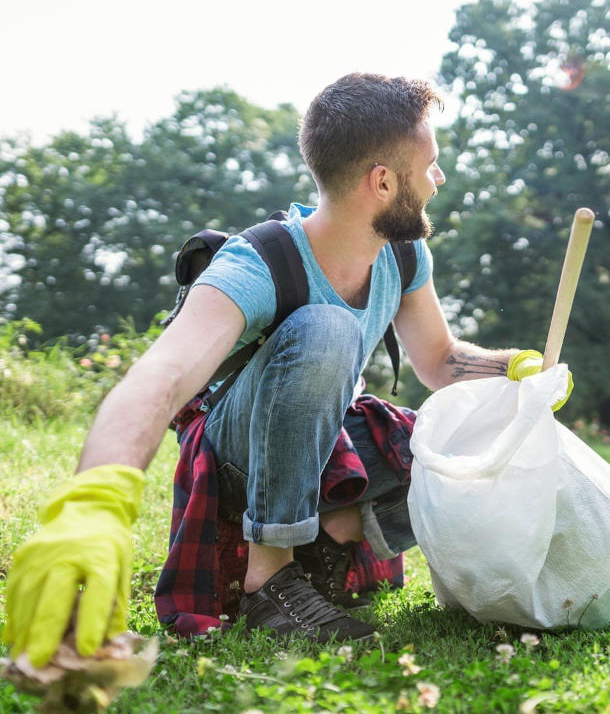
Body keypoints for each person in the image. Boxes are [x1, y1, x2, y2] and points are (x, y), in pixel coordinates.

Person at [4, 73, 573, 667]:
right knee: (327, 328)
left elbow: (438, 360)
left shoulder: (403, 253)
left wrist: (518, 368)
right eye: (430, 164)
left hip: (321, 445)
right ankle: (268, 583)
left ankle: (330, 544)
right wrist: (94, 501)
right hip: (232, 453)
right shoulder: (259, 260)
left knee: (453, 438)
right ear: (381, 182)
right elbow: (162, 375)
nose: (439, 178)